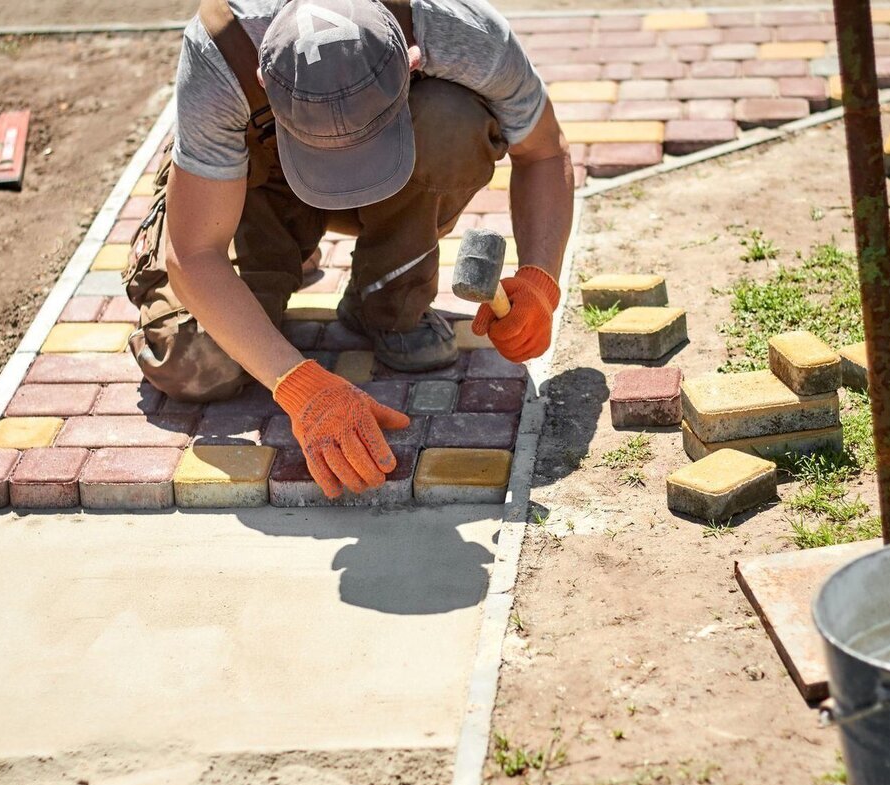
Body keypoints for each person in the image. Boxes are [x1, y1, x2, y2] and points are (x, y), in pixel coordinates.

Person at [124, 0, 573, 499]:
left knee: (451, 120)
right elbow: (195, 254)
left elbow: (545, 151)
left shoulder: (458, 29)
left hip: (402, 162)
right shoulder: (220, 53)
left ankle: (385, 293)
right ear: (263, 79)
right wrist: (299, 386)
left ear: (413, 59)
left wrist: (540, 279)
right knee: (196, 361)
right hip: (251, 179)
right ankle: (275, 247)